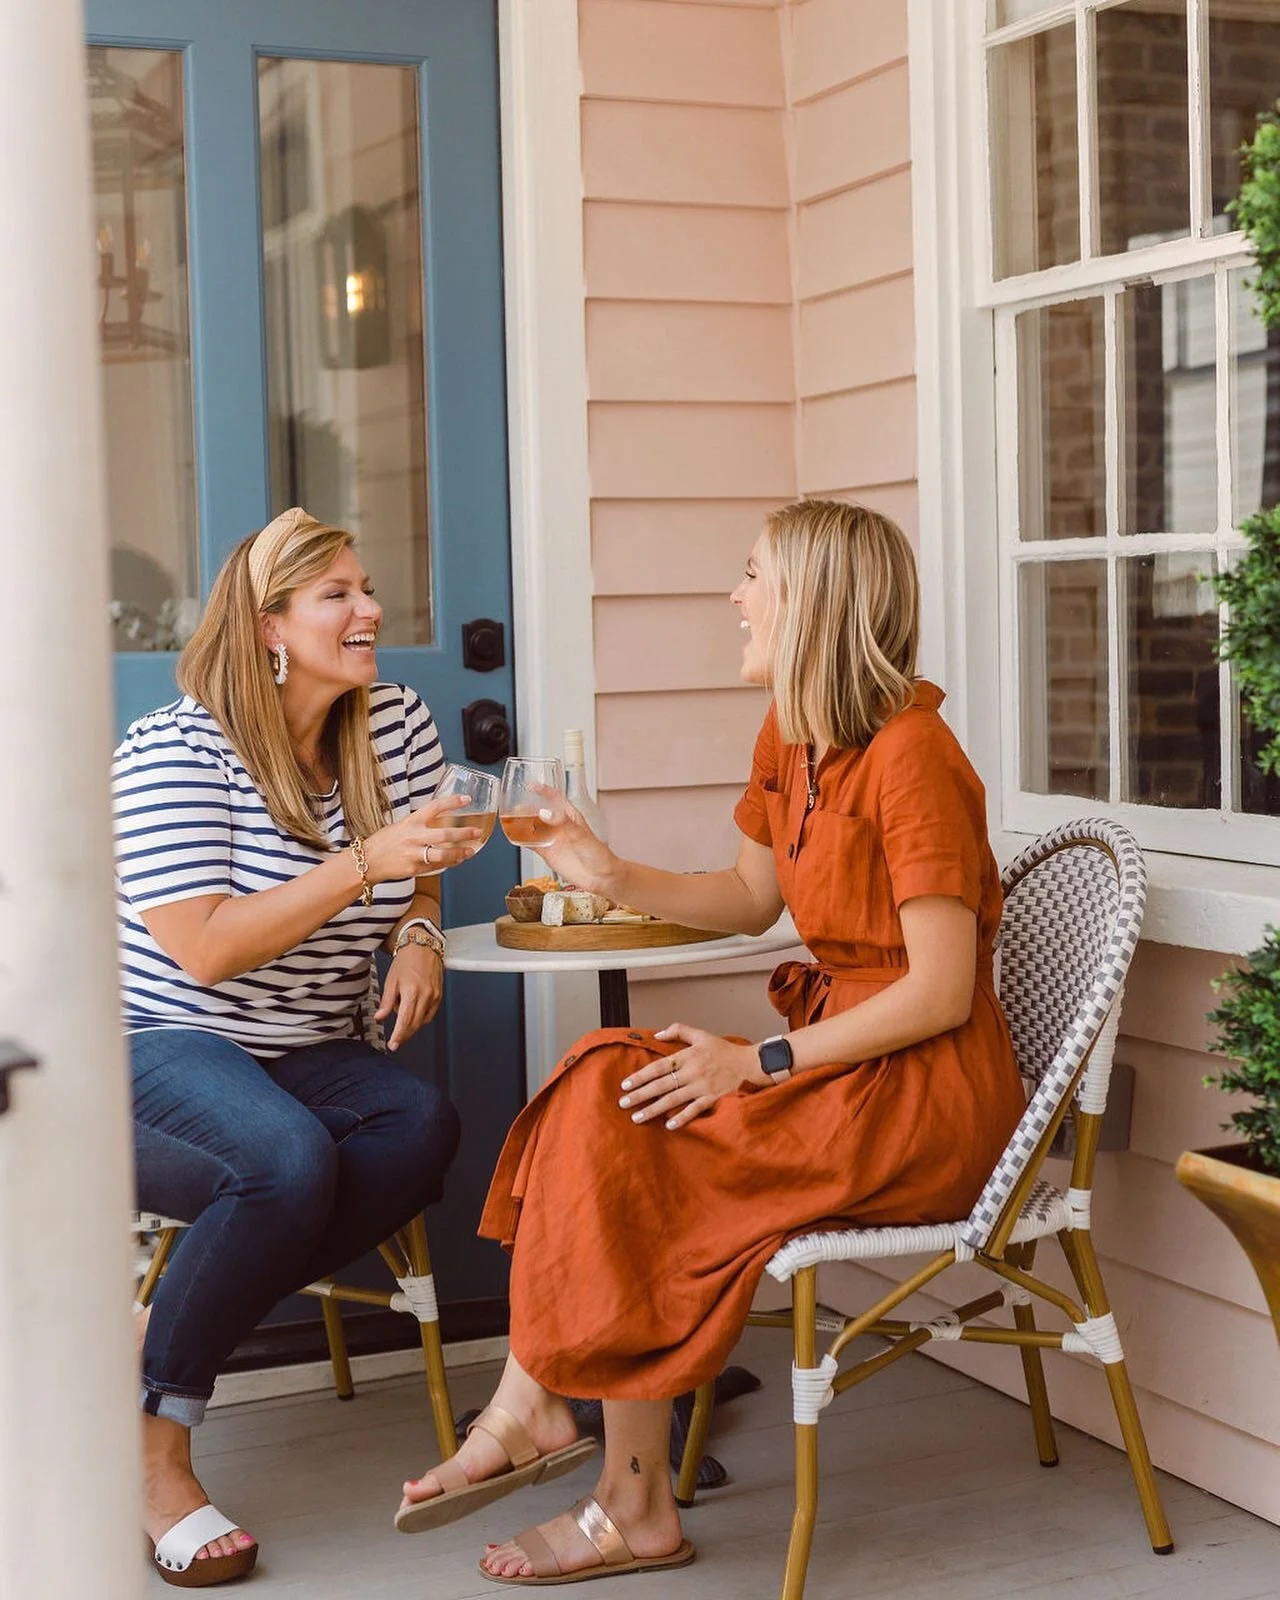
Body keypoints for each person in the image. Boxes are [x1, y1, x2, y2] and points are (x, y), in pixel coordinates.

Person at [394, 498, 1027, 1587]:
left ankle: (577, 1444)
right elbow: (744, 900)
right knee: (606, 1085)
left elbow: (937, 992)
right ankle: (562, 1425)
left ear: (813, 605)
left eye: (750, 578)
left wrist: (759, 1062)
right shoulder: (791, 732)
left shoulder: (910, 756)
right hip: (844, 1064)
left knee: (630, 1118)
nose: (731, 598)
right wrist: (600, 866)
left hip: (920, 1093)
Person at [114, 507, 478, 1588]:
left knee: (421, 1125)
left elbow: (422, 858)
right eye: (338, 596)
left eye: (366, 587)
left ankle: (144, 1349)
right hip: (157, 1042)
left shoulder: (395, 720)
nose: (370, 611)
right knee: (283, 1161)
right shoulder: (177, 748)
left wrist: (417, 927)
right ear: (269, 625)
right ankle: (155, 1453)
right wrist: (366, 864)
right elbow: (208, 950)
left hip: (308, 1039)